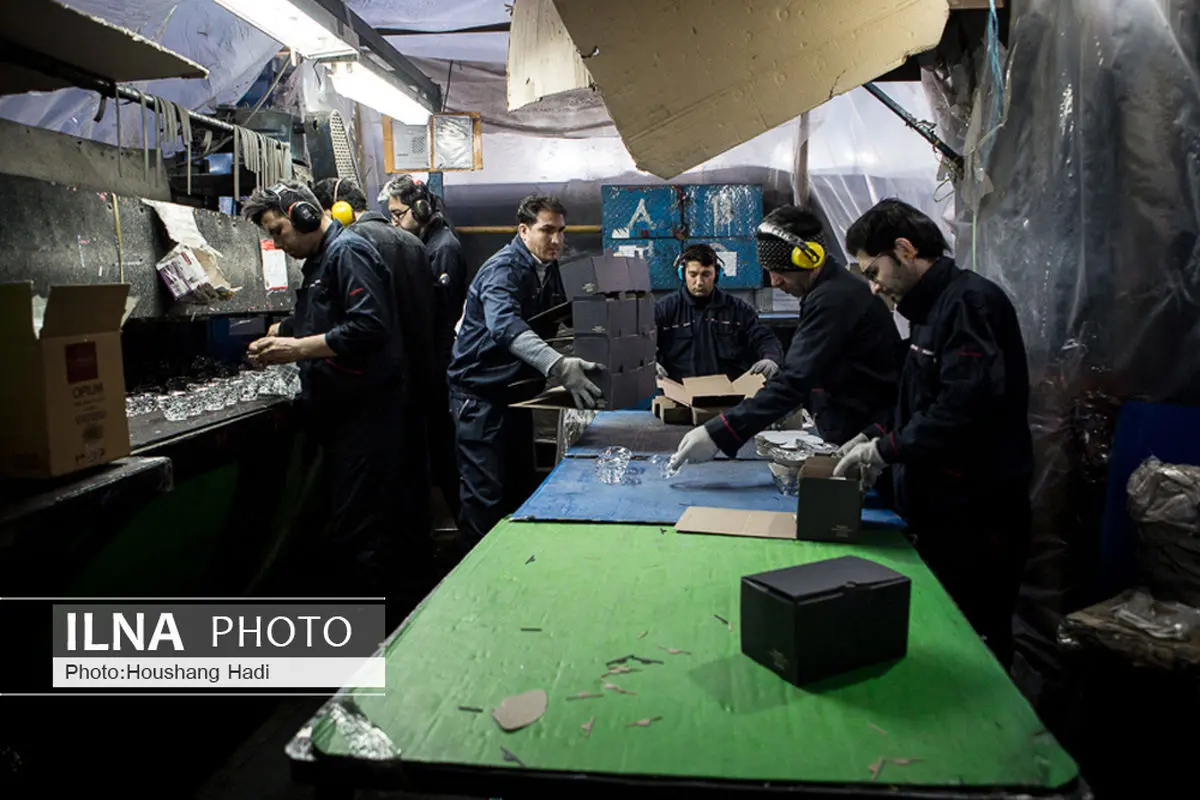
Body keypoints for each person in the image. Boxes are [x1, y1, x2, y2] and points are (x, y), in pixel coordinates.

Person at [833, 197, 1033, 667]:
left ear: (904, 249)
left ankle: (992, 731)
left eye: (874, 270)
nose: (874, 286)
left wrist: (887, 449)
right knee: (942, 635)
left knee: (973, 638)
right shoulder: (929, 311)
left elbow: (965, 406)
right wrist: (874, 434)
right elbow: (917, 398)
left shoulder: (969, 303)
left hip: (977, 513)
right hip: (940, 509)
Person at [242, 181, 406, 600]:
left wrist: (295, 348)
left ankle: (377, 644)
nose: (277, 242)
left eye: (278, 230)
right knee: (341, 526)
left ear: (304, 214)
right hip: (338, 414)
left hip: (365, 416)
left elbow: (368, 326)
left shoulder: (347, 251)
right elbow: (327, 316)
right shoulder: (319, 261)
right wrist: (286, 331)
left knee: (360, 533)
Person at [668, 206, 901, 469]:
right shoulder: (827, 292)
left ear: (809, 259)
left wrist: (718, 433)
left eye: (778, 271)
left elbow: (795, 380)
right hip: (858, 433)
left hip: (871, 441)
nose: (775, 282)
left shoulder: (833, 299)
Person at [448, 194, 603, 548]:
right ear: (523, 230)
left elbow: (567, 314)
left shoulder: (547, 270)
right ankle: (471, 583)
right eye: (547, 231)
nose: (557, 241)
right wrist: (560, 365)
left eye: (562, 232)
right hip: (480, 398)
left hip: (515, 395)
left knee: (519, 488)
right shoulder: (503, 270)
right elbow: (504, 326)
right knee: (484, 497)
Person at [312, 177, 438, 594]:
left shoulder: (350, 247)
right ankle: (418, 585)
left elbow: (366, 325)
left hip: (375, 389)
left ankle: (379, 611)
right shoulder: (415, 244)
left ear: (335, 210)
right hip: (417, 383)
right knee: (411, 492)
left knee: (370, 511)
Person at [379, 175, 465, 517]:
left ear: (422, 208)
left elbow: (441, 312)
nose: (395, 222)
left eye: (399, 214)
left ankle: (466, 528)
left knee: (444, 449)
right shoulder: (426, 241)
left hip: (438, 362)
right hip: (429, 358)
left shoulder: (443, 247)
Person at [655, 243, 782, 382]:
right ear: (682, 274)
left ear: (716, 274)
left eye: (706, 274)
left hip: (730, 396)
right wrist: (649, 364)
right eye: (693, 274)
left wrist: (770, 358)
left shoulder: (738, 310)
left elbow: (764, 339)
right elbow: (641, 345)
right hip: (680, 395)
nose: (699, 282)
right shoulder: (665, 310)